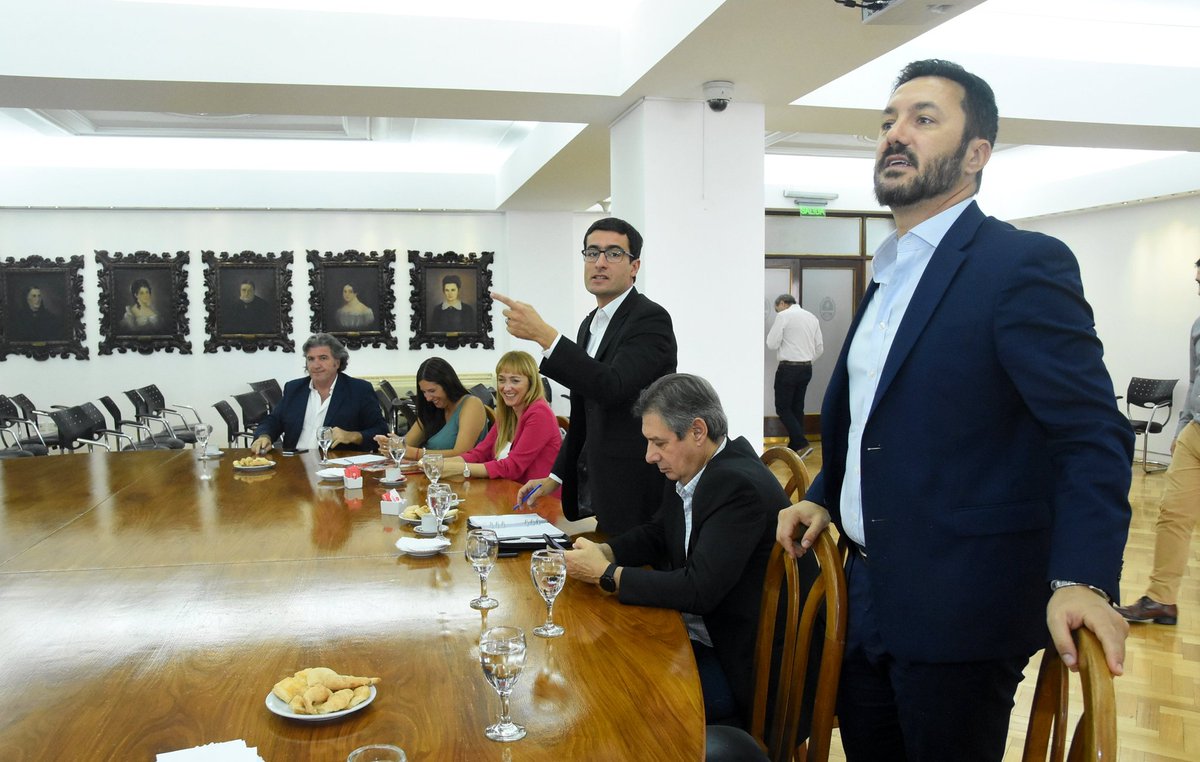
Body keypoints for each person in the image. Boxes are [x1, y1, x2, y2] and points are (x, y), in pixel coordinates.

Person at [775, 59, 1133, 762]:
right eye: (887, 121)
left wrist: (1084, 578)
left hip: (963, 609)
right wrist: (824, 495)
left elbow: (1091, 434)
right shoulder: (891, 272)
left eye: (923, 119)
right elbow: (877, 421)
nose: (894, 134)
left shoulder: (1019, 265)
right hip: (865, 590)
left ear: (977, 155)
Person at [564, 373, 790, 726]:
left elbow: (698, 590)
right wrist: (607, 552)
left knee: (620, 699)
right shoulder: (695, 468)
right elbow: (659, 533)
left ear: (697, 431)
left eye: (659, 442)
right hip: (706, 639)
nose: (649, 456)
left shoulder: (736, 486)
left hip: (745, 670)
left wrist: (607, 575)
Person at [493, 216, 678, 535]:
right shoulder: (590, 323)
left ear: (634, 266)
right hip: (603, 492)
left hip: (637, 485)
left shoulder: (649, 319)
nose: (600, 262)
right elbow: (583, 417)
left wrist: (546, 336)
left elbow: (612, 387)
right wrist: (555, 478)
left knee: (630, 576)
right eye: (592, 253)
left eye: (614, 253)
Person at [1117, 258, 1200, 627]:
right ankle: (1162, 600)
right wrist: (1182, 425)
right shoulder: (1198, 325)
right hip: (1195, 434)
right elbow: (1194, 377)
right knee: (1172, 517)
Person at [250, 333, 387, 454]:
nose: (316, 365)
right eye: (311, 359)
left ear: (337, 362)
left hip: (336, 467)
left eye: (323, 358)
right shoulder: (294, 388)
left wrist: (353, 436)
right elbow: (273, 420)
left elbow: (380, 430)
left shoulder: (359, 390)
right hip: (295, 465)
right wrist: (264, 436)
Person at [441, 351, 562, 484]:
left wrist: (459, 468)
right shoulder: (508, 413)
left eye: (515, 381)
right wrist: (437, 463)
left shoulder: (540, 414)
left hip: (540, 501)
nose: (506, 387)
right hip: (508, 493)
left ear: (531, 383)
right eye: (501, 380)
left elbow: (512, 467)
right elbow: (480, 454)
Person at [375, 357, 487, 460]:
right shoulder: (433, 408)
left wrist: (414, 453)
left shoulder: (471, 404)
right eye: (424, 392)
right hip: (434, 475)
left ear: (448, 384)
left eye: (432, 391)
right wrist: (391, 444)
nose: (427, 398)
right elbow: (408, 443)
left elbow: (461, 454)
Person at [766, 293, 823, 451]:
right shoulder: (812, 317)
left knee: (783, 408)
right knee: (797, 407)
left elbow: (771, 343)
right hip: (806, 368)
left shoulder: (784, 316)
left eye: (778, 309)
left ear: (783, 303)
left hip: (788, 368)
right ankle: (795, 445)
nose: (778, 312)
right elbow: (820, 348)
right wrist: (806, 360)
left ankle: (802, 443)